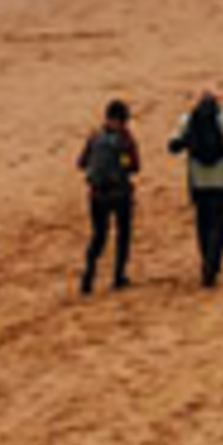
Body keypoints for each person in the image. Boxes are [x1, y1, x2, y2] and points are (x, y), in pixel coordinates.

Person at [168, 88, 223, 287]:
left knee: (203, 225)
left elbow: (172, 146)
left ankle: (207, 261)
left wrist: (188, 144)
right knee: (222, 223)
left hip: (198, 183)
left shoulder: (186, 120)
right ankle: (212, 264)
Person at [76, 98, 140, 297]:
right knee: (123, 234)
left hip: (96, 194)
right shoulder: (125, 139)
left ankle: (88, 276)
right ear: (122, 120)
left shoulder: (94, 137)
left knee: (98, 236)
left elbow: (81, 163)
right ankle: (118, 276)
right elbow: (134, 166)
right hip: (120, 194)